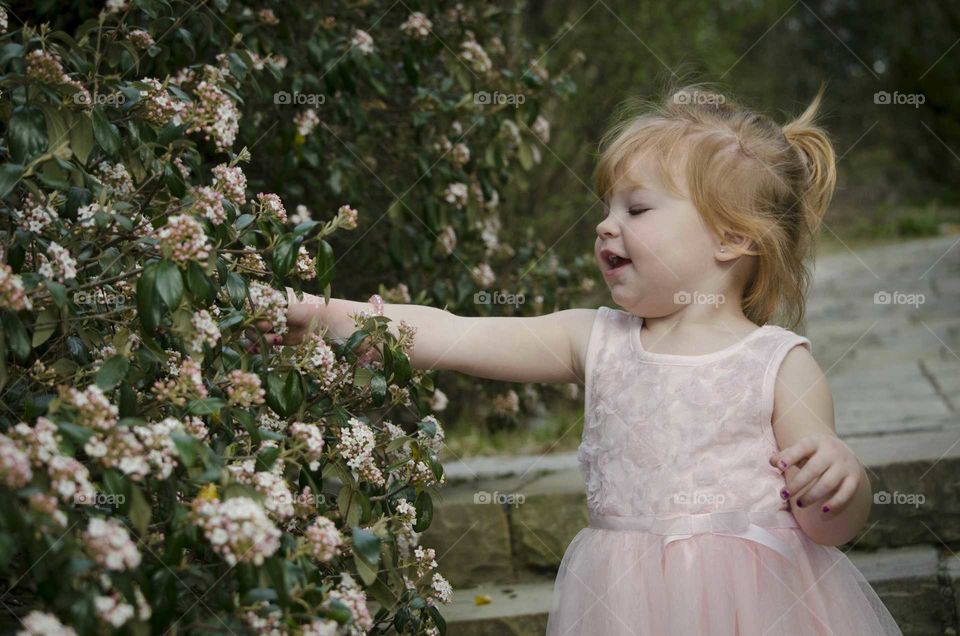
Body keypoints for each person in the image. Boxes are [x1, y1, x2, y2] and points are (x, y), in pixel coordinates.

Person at [251, 83, 903, 634]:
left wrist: (842, 480)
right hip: (622, 606)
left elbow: (831, 525)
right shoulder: (593, 338)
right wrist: (323, 314)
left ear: (732, 236)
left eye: (637, 208)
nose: (606, 225)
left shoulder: (778, 364)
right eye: (607, 206)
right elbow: (455, 334)